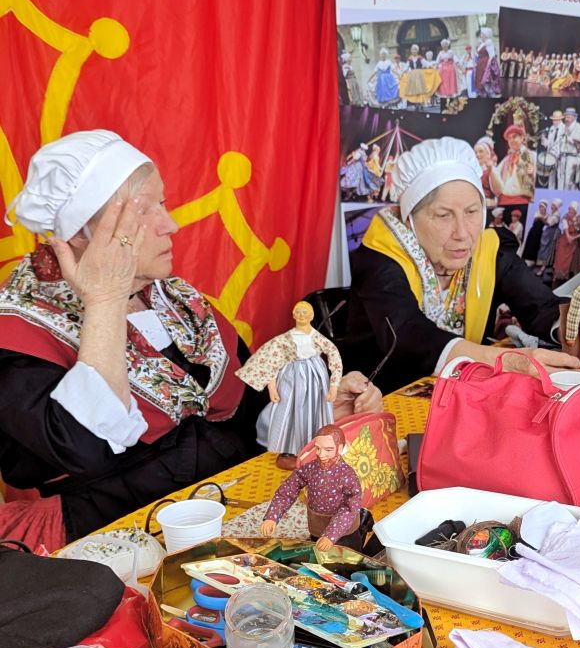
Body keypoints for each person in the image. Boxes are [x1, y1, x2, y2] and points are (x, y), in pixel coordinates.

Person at [0, 131, 382, 549]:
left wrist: (320, 402)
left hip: (224, 504)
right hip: (108, 542)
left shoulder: (177, 301)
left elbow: (246, 403)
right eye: (145, 211)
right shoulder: (19, 330)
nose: (172, 224)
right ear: (79, 233)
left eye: (162, 204)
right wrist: (105, 297)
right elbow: (83, 446)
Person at [345, 137, 575, 394]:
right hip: (384, 401)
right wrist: (504, 361)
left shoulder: (489, 251)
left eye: (472, 212)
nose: (463, 233)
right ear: (409, 218)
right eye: (443, 215)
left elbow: (540, 306)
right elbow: (408, 335)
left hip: (461, 399)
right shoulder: (379, 259)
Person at [236, 301, 341, 470]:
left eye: (305, 313)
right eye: (298, 313)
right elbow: (271, 361)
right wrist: (271, 387)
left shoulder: (317, 339)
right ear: (293, 315)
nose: (302, 316)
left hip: (315, 380)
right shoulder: (285, 340)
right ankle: (290, 450)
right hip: (291, 380)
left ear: (312, 316)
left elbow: (334, 357)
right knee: (289, 414)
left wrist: (334, 385)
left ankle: (315, 447)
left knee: (314, 414)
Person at [260, 424, 372, 553]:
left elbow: (350, 507)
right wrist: (272, 516)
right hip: (316, 530)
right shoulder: (310, 469)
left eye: (328, 450)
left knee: (345, 565)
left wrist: (331, 535)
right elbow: (288, 490)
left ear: (340, 448)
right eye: (318, 449)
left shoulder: (347, 476)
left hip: (344, 536)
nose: (321, 454)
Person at [490, 124, 536, 205]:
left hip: (523, 201)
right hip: (504, 201)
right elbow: (495, 178)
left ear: (522, 138)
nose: (511, 140)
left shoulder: (532, 156)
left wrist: (533, 174)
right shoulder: (506, 160)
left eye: (514, 137)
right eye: (509, 138)